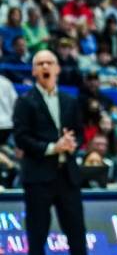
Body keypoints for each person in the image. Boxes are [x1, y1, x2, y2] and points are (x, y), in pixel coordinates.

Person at [12, 50, 86, 255]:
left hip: (67, 177)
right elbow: (21, 138)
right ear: (34, 70)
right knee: (37, 237)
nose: (45, 66)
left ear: (57, 68)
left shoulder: (69, 100)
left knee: (78, 235)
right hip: (38, 178)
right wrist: (53, 147)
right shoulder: (25, 101)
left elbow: (80, 133)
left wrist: (73, 143)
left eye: (49, 62)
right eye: (40, 63)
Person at [0, 74, 16, 145]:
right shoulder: (6, 82)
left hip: (6, 126)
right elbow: (15, 104)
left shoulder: (6, 82)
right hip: (7, 125)